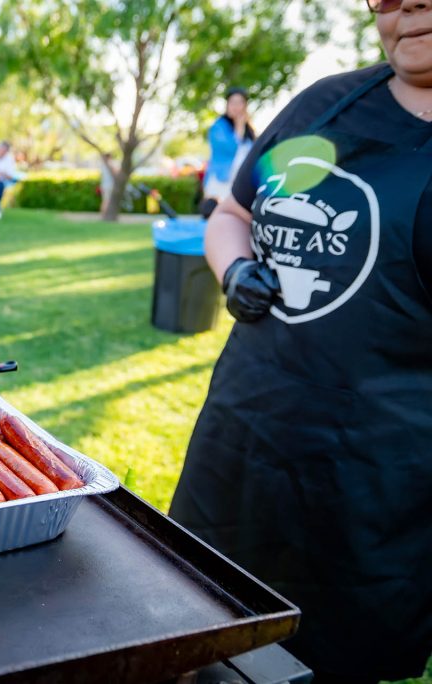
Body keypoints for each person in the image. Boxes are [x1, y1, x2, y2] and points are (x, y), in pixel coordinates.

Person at [168, 2, 432, 682]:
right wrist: (235, 271)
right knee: (200, 626)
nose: (407, 8)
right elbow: (233, 213)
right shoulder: (325, 106)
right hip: (244, 440)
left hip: (374, 485)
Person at [201, 88, 256, 205]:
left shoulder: (249, 131)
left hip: (240, 184)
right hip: (220, 181)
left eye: (240, 102)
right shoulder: (218, 126)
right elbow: (230, 148)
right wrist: (239, 127)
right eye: (232, 102)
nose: (236, 106)